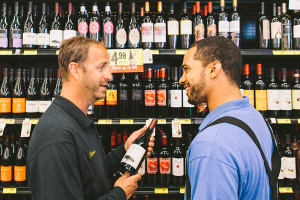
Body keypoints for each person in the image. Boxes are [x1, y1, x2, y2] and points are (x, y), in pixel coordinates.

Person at [26, 36, 154, 200]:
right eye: (101, 67)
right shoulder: (57, 136)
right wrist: (119, 194)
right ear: (75, 70)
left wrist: (125, 149)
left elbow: (92, 174)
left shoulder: (78, 120)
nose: (110, 76)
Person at [179, 36, 277, 199]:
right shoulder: (257, 120)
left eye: (187, 69)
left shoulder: (211, 146)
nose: (181, 79)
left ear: (213, 69)